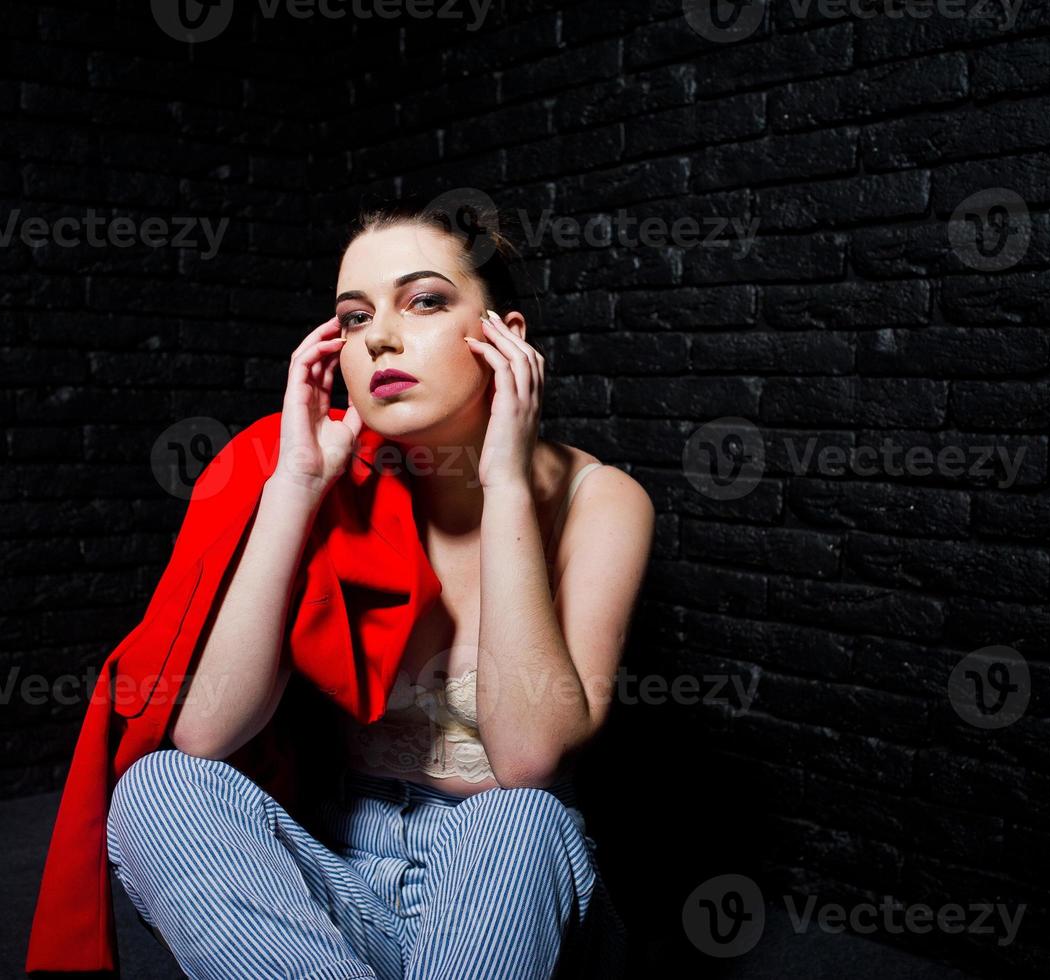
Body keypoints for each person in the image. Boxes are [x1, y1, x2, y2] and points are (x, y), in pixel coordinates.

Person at [103, 200, 656, 979]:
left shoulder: (597, 499)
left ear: (507, 338)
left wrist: (503, 481)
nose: (381, 338)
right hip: (340, 883)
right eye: (355, 318)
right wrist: (295, 486)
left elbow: (528, 758)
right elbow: (207, 736)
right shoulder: (339, 485)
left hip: (506, 890)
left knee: (517, 815)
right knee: (158, 787)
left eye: (424, 301)